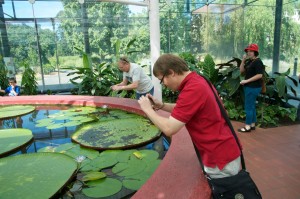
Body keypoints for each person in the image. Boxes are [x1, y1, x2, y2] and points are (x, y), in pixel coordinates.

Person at [138, 54, 241, 179]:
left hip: (219, 157)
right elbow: (184, 108)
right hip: (223, 150)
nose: (163, 84)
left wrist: (148, 110)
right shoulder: (197, 80)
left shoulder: (193, 88)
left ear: (171, 73)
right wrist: (162, 105)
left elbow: (169, 129)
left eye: (162, 79)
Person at [238, 43, 264, 133]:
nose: (248, 52)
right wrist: (243, 60)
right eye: (248, 51)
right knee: (251, 106)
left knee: (248, 106)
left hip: (253, 87)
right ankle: (252, 124)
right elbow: (242, 71)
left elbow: (260, 75)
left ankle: (247, 126)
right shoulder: (250, 61)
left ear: (255, 52)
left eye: (251, 51)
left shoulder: (258, 62)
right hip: (249, 87)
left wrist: (246, 81)